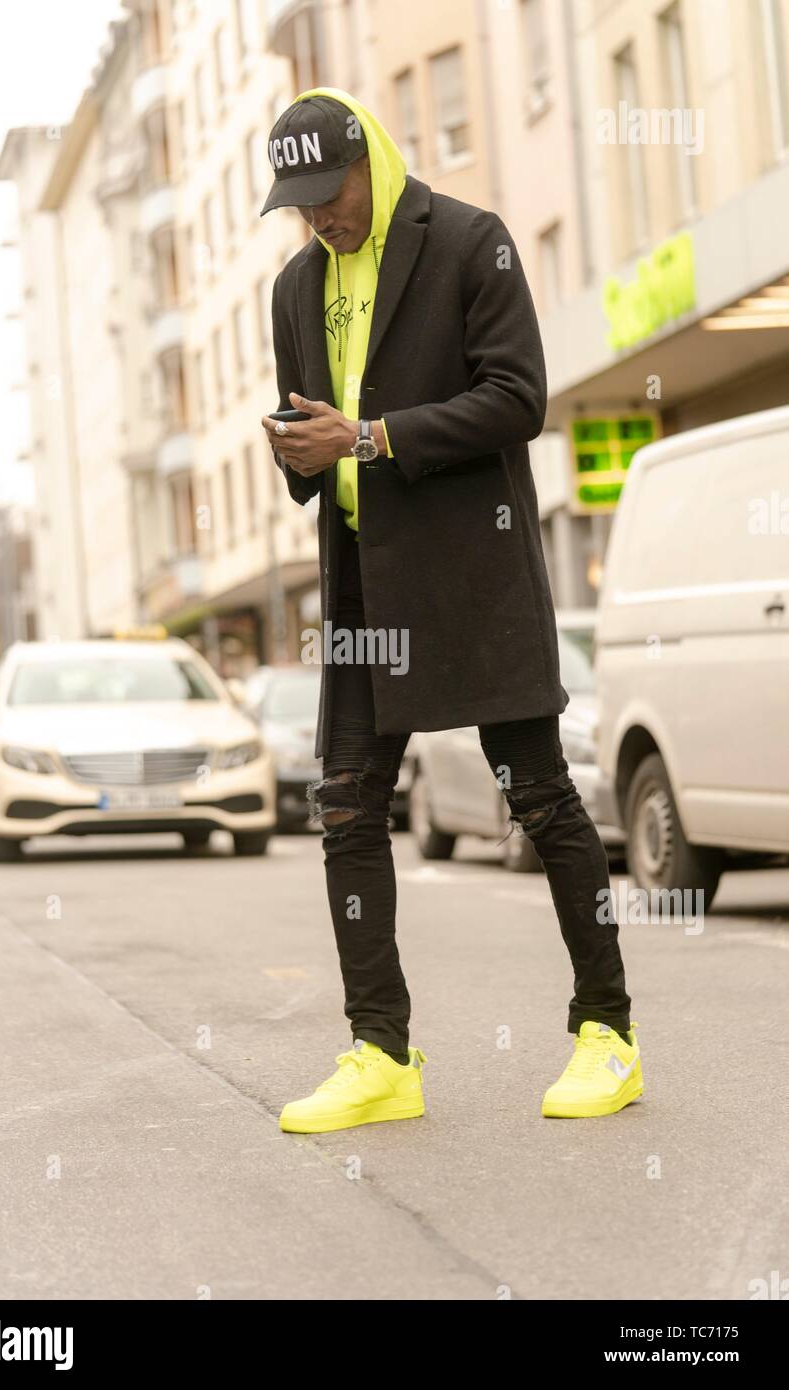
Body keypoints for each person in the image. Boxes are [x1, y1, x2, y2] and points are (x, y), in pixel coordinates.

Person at [259, 87, 641, 1133]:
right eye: (296, 204)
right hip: (361, 582)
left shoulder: (472, 242)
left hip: (475, 571)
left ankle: (607, 1032)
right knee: (345, 809)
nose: (317, 218)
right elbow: (311, 432)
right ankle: (381, 1052)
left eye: (327, 194)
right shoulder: (296, 287)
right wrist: (297, 449)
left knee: (543, 798)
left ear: (370, 163)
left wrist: (371, 439)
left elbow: (520, 398)